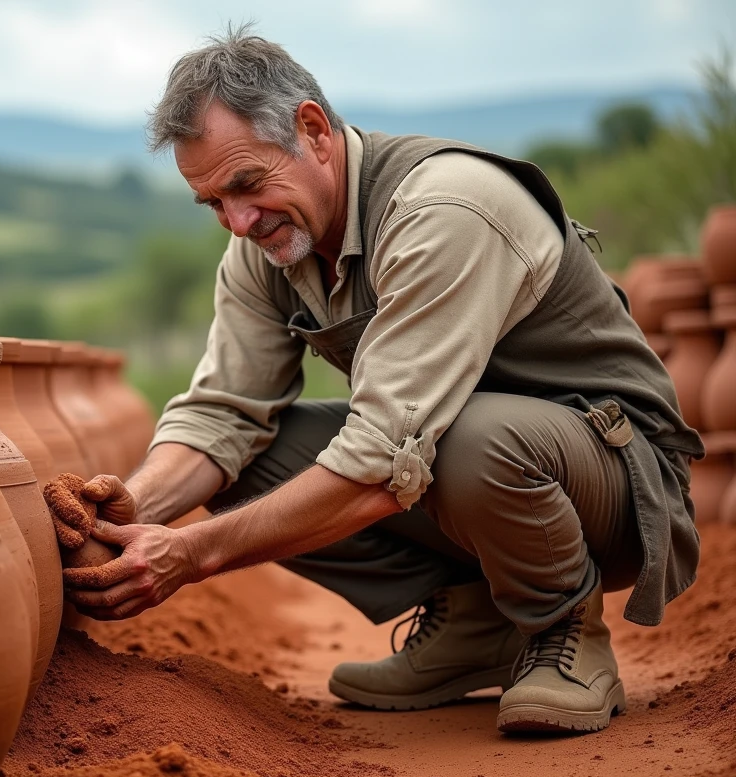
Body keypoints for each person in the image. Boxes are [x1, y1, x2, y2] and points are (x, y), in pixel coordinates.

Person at [51, 25, 703, 735]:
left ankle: (563, 634)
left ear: (313, 131)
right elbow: (221, 415)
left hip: (618, 483)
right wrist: (138, 506)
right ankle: (477, 619)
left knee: (459, 439)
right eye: (212, 202)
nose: (236, 221)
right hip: (484, 469)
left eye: (246, 184)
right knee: (248, 461)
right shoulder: (265, 245)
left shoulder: (442, 211)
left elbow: (383, 458)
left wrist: (194, 554)